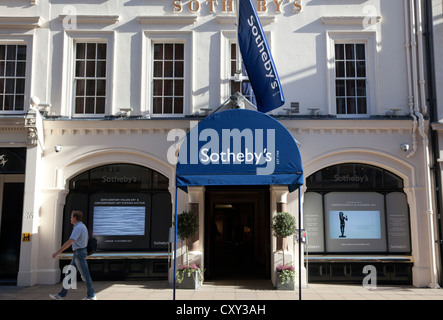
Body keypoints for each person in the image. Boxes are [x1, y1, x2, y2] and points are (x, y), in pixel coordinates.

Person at [50, 210, 96, 300]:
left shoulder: (78, 228)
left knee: (85, 276)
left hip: (79, 253)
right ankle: (61, 295)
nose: (70, 219)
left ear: (75, 218)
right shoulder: (82, 226)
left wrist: (58, 252)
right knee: (69, 274)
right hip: (78, 253)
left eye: (71, 217)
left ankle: (92, 296)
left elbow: (70, 241)